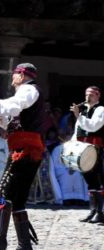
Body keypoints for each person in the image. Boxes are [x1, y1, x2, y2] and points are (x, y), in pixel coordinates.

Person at [0, 63, 45, 249]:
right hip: (27, 148)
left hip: (24, 149)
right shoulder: (26, 92)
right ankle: (24, 244)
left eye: (14, 74)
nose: (12, 77)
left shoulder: (28, 89)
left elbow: (16, 104)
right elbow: (12, 121)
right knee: (18, 198)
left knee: (2, 193)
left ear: (22, 75)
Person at [70, 86, 104, 223]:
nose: (88, 97)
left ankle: (100, 212)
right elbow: (77, 130)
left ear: (98, 96)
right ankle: (92, 211)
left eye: (91, 94)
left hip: (94, 147)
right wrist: (72, 144)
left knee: (96, 178)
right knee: (88, 178)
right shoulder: (83, 111)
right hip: (82, 148)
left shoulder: (101, 109)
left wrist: (78, 115)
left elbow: (93, 126)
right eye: (86, 94)